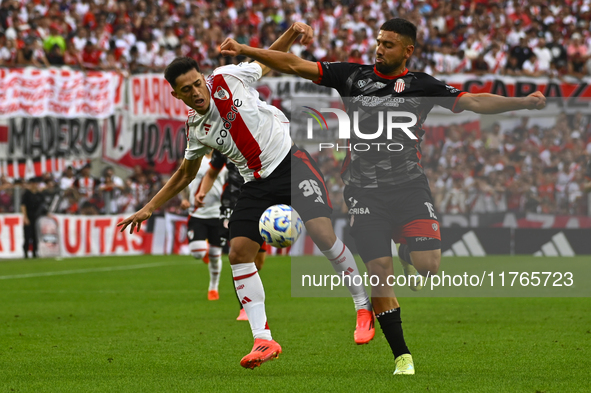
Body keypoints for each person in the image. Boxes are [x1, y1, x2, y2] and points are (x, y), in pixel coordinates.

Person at [220, 17, 546, 375]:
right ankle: (402, 356)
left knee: (428, 266)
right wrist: (247, 50)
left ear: (407, 50)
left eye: (388, 44)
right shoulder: (352, 76)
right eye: (378, 41)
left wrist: (523, 104)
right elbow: (294, 64)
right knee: (379, 271)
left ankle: (408, 252)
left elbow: (475, 102)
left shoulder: (421, 85)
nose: (379, 48)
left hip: (409, 189)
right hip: (363, 193)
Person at [118, 22, 373, 370]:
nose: (195, 92)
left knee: (323, 235)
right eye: (186, 90)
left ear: (203, 77)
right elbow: (185, 173)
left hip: (290, 163)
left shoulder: (227, 78)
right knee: (238, 251)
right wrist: (148, 208)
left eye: (197, 83)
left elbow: (268, 61)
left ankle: (362, 306)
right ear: (176, 96)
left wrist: (293, 35)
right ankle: (263, 339)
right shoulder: (197, 127)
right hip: (255, 183)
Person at [197, 149, 267, 321]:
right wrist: (202, 191)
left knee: (258, 263)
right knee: (238, 254)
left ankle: (249, 300)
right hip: (232, 203)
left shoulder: (263, 140)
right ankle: (244, 307)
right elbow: (212, 172)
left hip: (260, 201)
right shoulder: (224, 144)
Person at [179, 151, 228, 301]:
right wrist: (184, 199)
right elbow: (183, 179)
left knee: (215, 256)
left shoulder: (225, 159)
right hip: (197, 212)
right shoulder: (194, 157)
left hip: (217, 214)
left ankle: (213, 288)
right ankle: (203, 251)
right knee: (197, 253)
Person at [21, 178, 48, 258]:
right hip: (29, 216)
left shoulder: (40, 195)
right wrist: (25, 217)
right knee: (27, 235)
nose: (35, 185)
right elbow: (23, 206)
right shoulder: (27, 194)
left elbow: (43, 206)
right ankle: (25, 252)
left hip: (37, 217)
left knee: (35, 235)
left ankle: (34, 252)